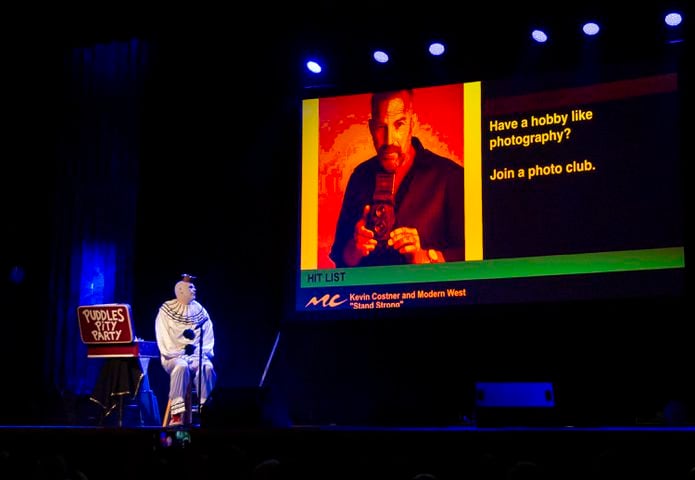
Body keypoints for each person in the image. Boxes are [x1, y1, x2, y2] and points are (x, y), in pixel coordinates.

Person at [329, 88, 465, 267]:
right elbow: (340, 260)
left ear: (412, 124)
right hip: (368, 295)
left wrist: (424, 256)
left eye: (399, 124)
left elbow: (473, 256)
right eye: (380, 127)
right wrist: (355, 249)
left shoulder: (450, 176)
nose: (389, 140)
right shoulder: (360, 176)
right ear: (371, 128)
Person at [155, 273, 216, 426]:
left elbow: (208, 337)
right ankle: (177, 414)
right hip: (173, 357)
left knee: (207, 367)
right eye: (190, 287)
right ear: (180, 290)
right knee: (181, 367)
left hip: (196, 355)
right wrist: (181, 352)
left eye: (194, 286)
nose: (194, 289)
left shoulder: (200, 311)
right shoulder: (166, 310)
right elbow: (163, 337)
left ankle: (206, 410)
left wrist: (198, 352)